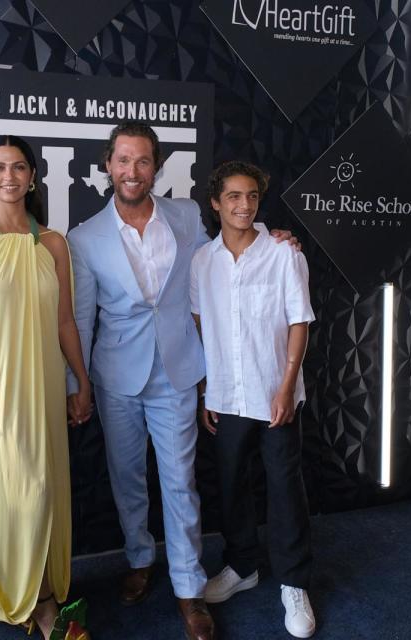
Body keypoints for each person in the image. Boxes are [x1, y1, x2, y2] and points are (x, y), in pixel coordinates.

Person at [67, 123, 297, 640]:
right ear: (108, 165)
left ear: (156, 168)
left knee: (180, 481)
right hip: (116, 376)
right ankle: (139, 558)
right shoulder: (83, 239)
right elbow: (81, 319)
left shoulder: (187, 215)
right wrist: (76, 383)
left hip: (178, 371)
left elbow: (228, 255)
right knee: (127, 481)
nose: (133, 171)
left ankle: (189, 588)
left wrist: (272, 236)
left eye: (143, 161)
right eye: (123, 160)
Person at [0, 135, 93, 639]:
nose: (10, 177)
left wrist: (81, 382)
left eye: (19, 167)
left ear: (33, 177)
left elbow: (65, 321)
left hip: (44, 385)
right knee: (16, 490)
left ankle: (37, 590)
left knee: (41, 487)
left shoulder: (52, 242)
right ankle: (39, 603)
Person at [191, 161, 316, 638]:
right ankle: (243, 567)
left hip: (275, 395)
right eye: (234, 197)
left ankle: (294, 583)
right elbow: (203, 322)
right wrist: (209, 385)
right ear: (216, 203)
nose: (245, 205)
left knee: (285, 489)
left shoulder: (284, 254)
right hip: (225, 395)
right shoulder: (202, 262)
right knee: (230, 484)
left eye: (252, 197)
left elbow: (299, 321)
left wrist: (285, 386)